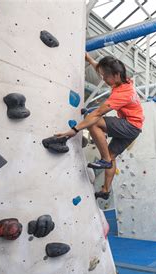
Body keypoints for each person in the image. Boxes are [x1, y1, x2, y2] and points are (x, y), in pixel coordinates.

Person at [56, 53, 144, 200]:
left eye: (106, 77)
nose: (103, 79)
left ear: (116, 75)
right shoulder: (124, 80)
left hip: (130, 125)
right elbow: (100, 67)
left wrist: (74, 130)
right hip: (135, 128)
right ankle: (105, 190)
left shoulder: (123, 93)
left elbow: (97, 113)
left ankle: (105, 160)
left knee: (94, 121)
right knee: (112, 156)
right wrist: (89, 58)